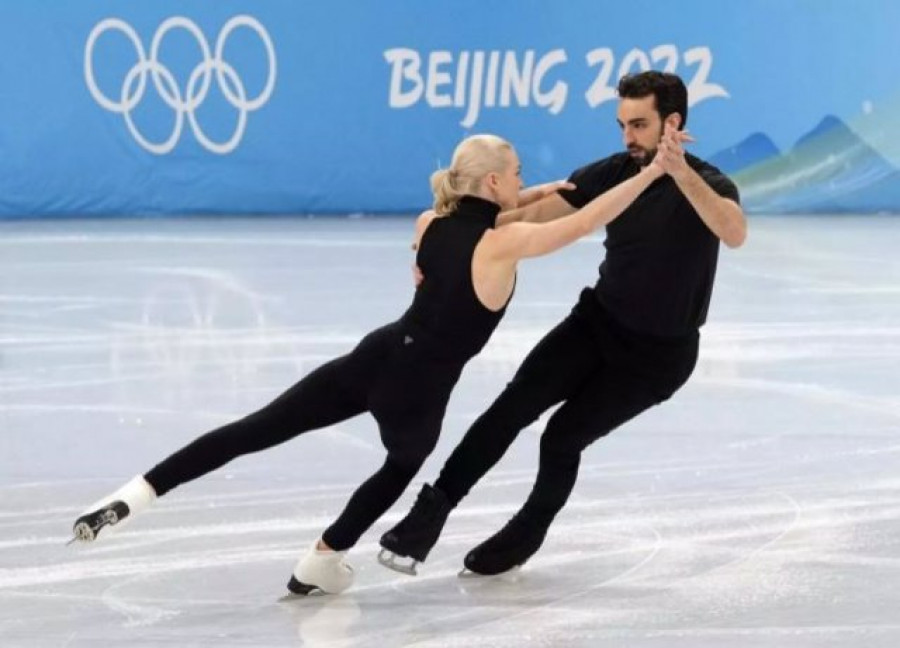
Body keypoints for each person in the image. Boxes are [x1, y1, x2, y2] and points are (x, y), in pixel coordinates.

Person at [69, 132, 669, 595]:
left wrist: (534, 195)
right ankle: (323, 557)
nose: (524, 179)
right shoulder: (501, 245)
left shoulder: (429, 222)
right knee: (399, 466)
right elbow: (588, 221)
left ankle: (134, 493)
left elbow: (495, 217)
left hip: (375, 357)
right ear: (492, 181)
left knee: (254, 429)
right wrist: (654, 174)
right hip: (421, 392)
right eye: (517, 174)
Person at [379, 70, 746, 577]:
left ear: (672, 122)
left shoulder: (709, 184)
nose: (627, 138)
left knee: (561, 438)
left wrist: (679, 172)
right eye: (622, 125)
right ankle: (429, 514)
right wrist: (441, 236)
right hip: (596, 324)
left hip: (658, 359)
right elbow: (534, 216)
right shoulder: (614, 171)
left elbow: (733, 232)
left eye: (639, 125)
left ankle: (526, 531)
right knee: (509, 408)